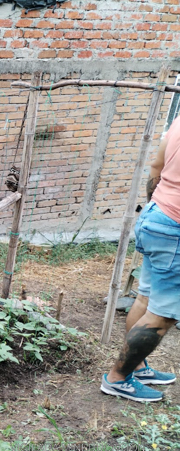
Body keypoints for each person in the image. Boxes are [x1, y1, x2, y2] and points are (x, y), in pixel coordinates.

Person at [101, 116, 180, 402]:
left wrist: (157, 209)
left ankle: (136, 367)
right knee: (165, 314)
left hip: (156, 215)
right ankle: (117, 379)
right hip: (175, 228)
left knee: (145, 299)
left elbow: (157, 167)